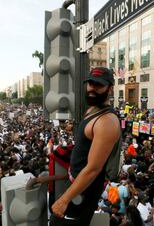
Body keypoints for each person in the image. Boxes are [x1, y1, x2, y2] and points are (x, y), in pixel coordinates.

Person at [50, 67, 121, 225]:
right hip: (76, 183)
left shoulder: (107, 121)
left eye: (99, 85)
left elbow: (93, 169)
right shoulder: (92, 110)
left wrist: (64, 200)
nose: (92, 89)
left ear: (110, 89)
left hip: (84, 192)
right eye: (90, 83)